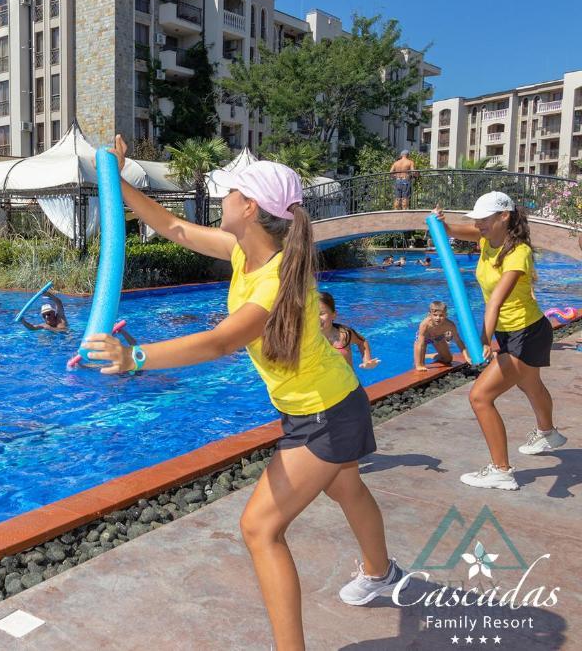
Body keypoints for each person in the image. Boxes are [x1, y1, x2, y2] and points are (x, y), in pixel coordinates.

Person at [82, 136, 403, 649]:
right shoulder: (245, 252)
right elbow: (173, 227)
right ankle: (382, 572)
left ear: (249, 207)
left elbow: (221, 341)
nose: (223, 196)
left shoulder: (274, 282)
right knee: (346, 488)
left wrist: (134, 357)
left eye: (231, 191)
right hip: (330, 402)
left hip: (325, 413)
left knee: (259, 529)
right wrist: (118, 180)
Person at [432, 192, 563, 491]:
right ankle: (549, 434)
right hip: (514, 331)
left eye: (484, 219)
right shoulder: (485, 238)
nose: (478, 224)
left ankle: (501, 471)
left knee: (480, 397)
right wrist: (442, 224)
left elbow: (495, 303)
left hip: (526, 333)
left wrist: (482, 341)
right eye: (476, 219)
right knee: (530, 385)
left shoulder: (518, 253)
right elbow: (454, 231)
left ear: (504, 216)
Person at [319, 292, 379, 369]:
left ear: (334, 314)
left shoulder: (344, 334)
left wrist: (367, 360)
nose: (316, 318)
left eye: (321, 313)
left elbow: (362, 341)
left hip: (347, 376)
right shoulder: (307, 339)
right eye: (312, 314)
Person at [413, 301, 468, 371]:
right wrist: (419, 365)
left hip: (438, 337)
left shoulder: (450, 325)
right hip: (424, 338)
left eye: (441, 315)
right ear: (429, 315)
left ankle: (430, 355)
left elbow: (458, 340)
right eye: (435, 315)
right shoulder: (425, 324)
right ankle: (419, 361)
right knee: (420, 364)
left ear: (446, 315)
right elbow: (420, 343)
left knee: (448, 359)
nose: (438, 318)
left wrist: (466, 357)